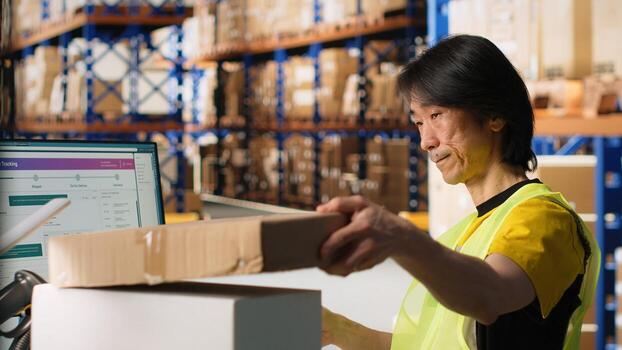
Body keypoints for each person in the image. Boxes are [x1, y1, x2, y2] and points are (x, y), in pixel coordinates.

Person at [317, 35, 600, 350]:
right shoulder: (466, 235)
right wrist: (338, 330)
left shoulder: (543, 219)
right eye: (419, 123)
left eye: (436, 116)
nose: (427, 141)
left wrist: (403, 238)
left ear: (494, 115)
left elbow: (490, 296)